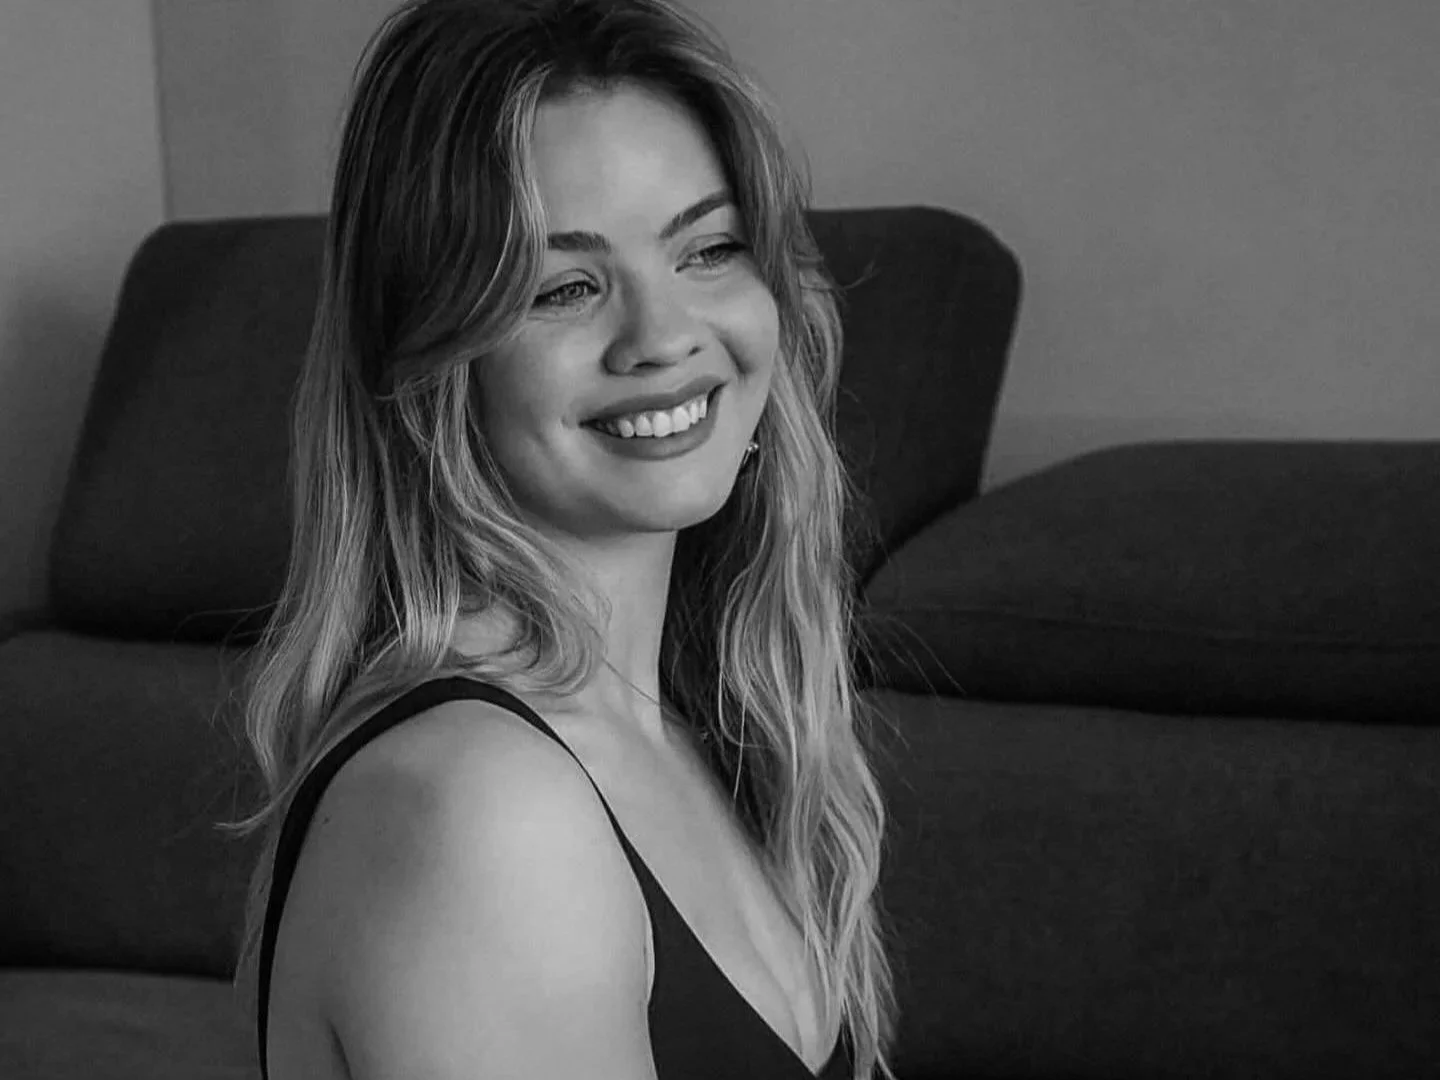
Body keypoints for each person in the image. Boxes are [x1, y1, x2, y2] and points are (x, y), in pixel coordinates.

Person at [227, 1, 898, 1076]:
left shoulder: (681, 725)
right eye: (566, 287)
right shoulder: (486, 810)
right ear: (432, 358)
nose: (664, 335)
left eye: (710, 249)